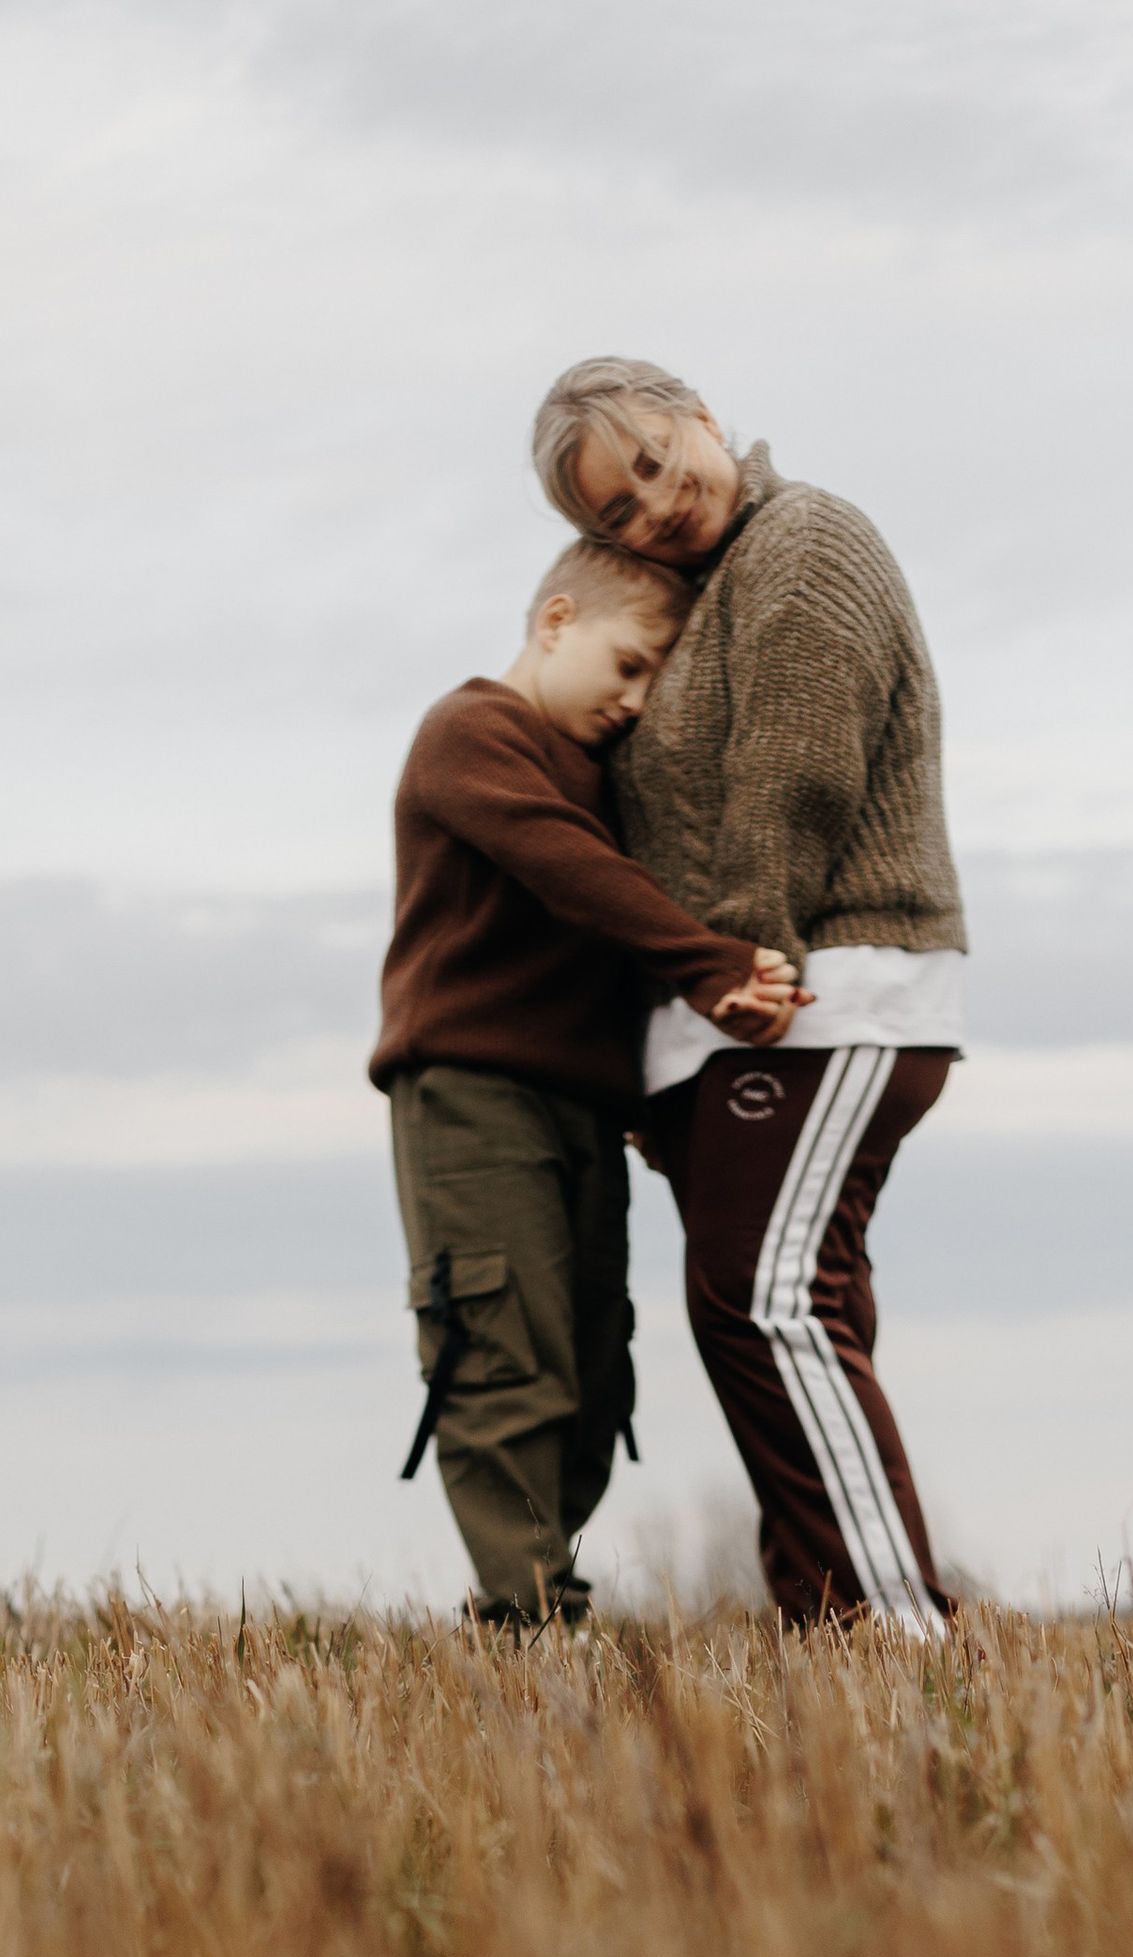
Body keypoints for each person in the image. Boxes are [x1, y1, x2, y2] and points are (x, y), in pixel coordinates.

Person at [531, 358, 966, 1632]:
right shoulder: (697, 595)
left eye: (659, 464)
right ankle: (834, 1616)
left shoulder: (804, 539)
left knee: (768, 1302)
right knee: (784, 1308)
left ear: (706, 418)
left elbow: (793, 775)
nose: (655, 506)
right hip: (756, 1008)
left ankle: (891, 1629)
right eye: (616, 511)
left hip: (832, 988)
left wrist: (733, 983)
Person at [370, 539, 798, 1630]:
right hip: (468, 1092)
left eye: (658, 684)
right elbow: (569, 871)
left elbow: (606, 947)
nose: (636, 702)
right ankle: (528, 1620)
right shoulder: (471, 734)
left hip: (584, 1109)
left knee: (596, 1371)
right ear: (556, 620)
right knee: (502, 1351)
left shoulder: (609, 777)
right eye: (628, 665)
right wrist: (710, 965)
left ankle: (535, 1587)